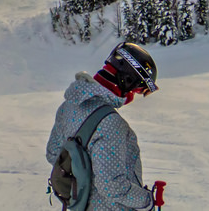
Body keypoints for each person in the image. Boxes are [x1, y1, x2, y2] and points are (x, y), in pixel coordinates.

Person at [46, 42, 166, 210]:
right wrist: (147, 201)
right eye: (138, 90)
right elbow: (112, 186)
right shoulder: (111, 124)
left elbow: (53, 153)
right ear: (127, 80)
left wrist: (83, 177)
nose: (133, 96)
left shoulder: (68, 107)